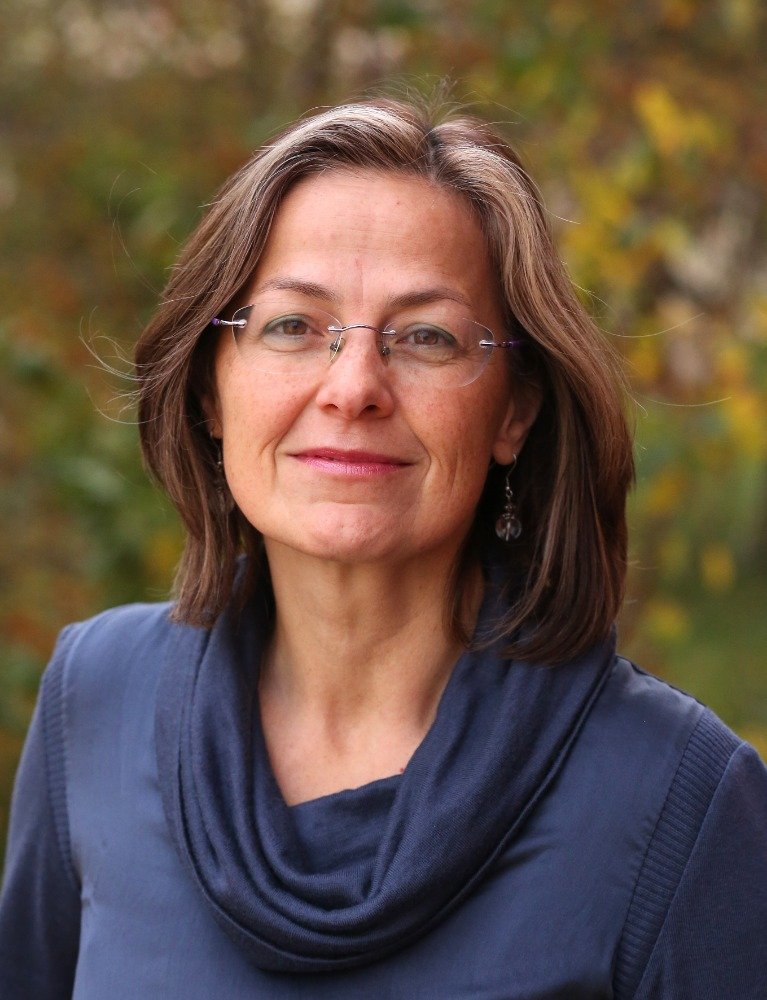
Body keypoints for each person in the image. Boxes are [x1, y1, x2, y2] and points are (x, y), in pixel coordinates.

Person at [1, 96, 766, 999]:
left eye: (426, 337)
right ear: (211, 391)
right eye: (292, 326)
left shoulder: (679, 799)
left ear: (514, 411)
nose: (353, 386)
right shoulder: (95, 699)